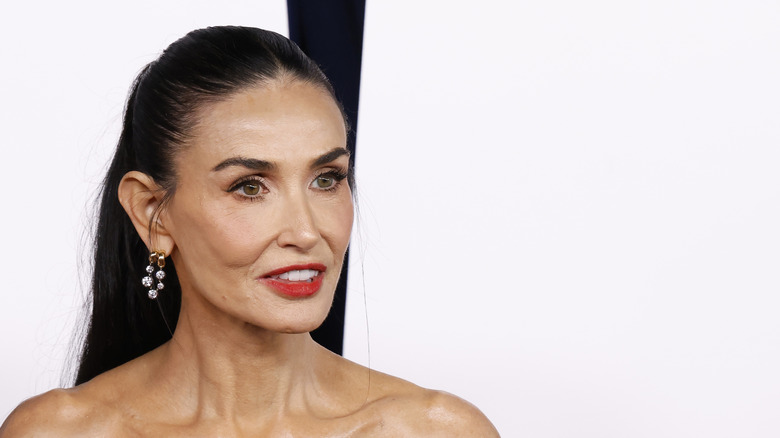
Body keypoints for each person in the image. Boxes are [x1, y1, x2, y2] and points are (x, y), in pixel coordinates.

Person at [0, 26, 498, 436]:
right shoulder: (59, 432)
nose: (306, 232)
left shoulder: (436, 430)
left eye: (327, 180)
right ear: (152, 212)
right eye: (250, 187)